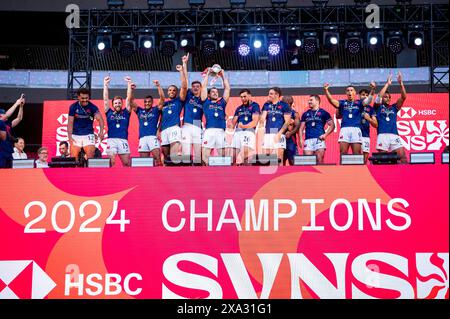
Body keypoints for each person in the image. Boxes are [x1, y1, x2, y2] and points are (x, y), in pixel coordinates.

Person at [324, 82, 375, 155]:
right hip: (344, 129)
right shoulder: (342, 103)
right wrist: (326, 90)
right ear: (346, 93)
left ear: (355, 93)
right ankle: (344, 167)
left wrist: (373, 89)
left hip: (356, 129)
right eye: (348, 90)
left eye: (351, 90)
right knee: (343, 152)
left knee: (357, 153)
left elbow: (369, 100)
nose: (349, 92)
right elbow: (332, 101)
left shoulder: (360, 103)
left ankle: (357, 166)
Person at [154, 63, 187, 162]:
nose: (171, 92)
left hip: (174, 128)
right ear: (167, 92)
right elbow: (161, 118)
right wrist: (158, 130)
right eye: (170, 90)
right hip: (164, 130)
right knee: (165, 156)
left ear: (176, 92)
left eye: (173, 90)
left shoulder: (179, 100)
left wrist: (181, 71)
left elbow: (184, 87)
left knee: (173, 156)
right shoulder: (164, 104)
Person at [336, 88, 378, 164]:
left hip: (365, 135)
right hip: (352, 132)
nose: (364, 96)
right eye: (363, 95)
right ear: (358, 95)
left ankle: (360, 173)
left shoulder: (370, 109)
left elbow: (376, 125)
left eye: (366, 95)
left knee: (362, 159)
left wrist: (369, 119)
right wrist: (338, 107)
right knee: (344, 154)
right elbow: (338, 116)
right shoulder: (354, 104)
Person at [374, 72, 408, 163]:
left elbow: (404, 97)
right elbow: (378, 97)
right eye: (385, 97)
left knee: (403, 158)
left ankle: (403, 176)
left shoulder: (394, 107)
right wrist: (387, 84)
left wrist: (401, 83)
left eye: (389, 97)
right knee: (382, 159)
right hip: (382, 134)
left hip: (394, 135)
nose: (387, 98)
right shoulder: (378, 107)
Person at [200, 67, 231, 166]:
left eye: (216, 92)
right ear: (208, 95)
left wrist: (223, 76)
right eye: (213, 92)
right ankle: (207, 174)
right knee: (205, 156)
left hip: (221, 131)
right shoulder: (206, 102)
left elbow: (227, 89)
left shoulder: (222, 103)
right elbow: (203, 87)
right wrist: (208, 74)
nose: (215, 93)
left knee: (224, 157)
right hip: (209, 131)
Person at [127, 80, 162, 166]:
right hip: (142, 138)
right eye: (145, 102)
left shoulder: (155, 110)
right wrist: (131, 89)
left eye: (149, 102)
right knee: (144, 162)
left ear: (152, 102)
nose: (147, 103)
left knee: (157, 159)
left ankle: (160, 177)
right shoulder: (140, 111)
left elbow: (162, 99)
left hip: (152, 136)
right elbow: (131, 101)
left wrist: (158, 86)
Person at [67, 88, 105, 161]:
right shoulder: (73, 107)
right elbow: (70, 123)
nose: (85, 100)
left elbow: (100, 120)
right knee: (73, 158)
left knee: (90, 157)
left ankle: (89, 172)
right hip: (76, 134)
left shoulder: (93, 107)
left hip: (88, 134)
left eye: (86, 98)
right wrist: (69, 137)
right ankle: (75, 171)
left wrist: (101, 132)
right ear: (78, 97)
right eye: (82, 98)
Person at [180, 53, 204, 165]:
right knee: (186, 152)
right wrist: (184, 63)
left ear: (201, 88)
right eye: (193, 86)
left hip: (198, 125)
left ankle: (199, 174)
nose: (195, 88)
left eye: (197, 86)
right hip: (187, 125)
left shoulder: (204, 99)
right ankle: (185, 172)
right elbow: (185, 79)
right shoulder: (188, 94)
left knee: (198, 154)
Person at [103, 76, 132, 167]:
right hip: (111, 140)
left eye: (119, 103)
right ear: (113, 105)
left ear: (122, 104)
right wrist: (105, 85)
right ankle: (110, 180)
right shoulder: (109, 112)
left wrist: (129, 84)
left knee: (127, 163)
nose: (117, 104)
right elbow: (105, 99)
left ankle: (127, 180)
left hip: (123, 140)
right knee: (111, 163)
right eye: (115, 103)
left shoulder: (126, 112)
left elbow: (129, 98)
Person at [259, 87, 292, 165]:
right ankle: (268, 176)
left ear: (277, 95)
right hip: (268, 134)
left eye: (271, 94)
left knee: (279, 159)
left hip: (279, 134)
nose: (269, 95)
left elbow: (287, 122)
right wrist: (261, 120)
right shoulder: (266, 104)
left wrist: (279, 133)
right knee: (266, 159)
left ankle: (280, 176)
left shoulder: (285, 105)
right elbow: (262, 119)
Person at [298, 95, 335, 164]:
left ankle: (320, 174)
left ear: (317, 101)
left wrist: (325, 135)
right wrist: (300, 139)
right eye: (309, 100)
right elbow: (301, 128)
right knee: (307, 161)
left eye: (311, 100)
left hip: (319, 139)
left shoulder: (324, 112)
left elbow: (332, 125)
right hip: (308, 139)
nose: (309, 102)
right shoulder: (305, 114)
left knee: (319, 159)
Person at [230, 89, 260, 165]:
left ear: (250, 96)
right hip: (237, 133)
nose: (243, 99)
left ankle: (240, 166)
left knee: (245, 153)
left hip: (249, 131)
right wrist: (231, 123)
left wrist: (244, 126)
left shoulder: (255, 106)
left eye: (245, 96)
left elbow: (254, 122)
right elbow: (233, 124)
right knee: (232, 156)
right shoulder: (238, 108)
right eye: (241, 97)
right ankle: (233, 173)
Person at [281, 95, 301, 166]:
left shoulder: (295, 113)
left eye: (284, 102)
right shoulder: (280, 112)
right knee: (281, 160)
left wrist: (291, 133)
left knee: (292, 161)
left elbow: (298, 126)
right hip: (280, 139)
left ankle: (296, 176)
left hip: (290, 140)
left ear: (289, 103)